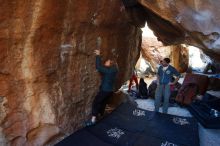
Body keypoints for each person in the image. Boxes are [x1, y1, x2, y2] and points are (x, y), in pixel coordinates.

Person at [85, 49, 118, 126]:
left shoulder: (109, 71)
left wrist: (98, 55)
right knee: (103, 102)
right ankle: (101, 114)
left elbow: (98, 67)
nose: (105, 62)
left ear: (111, 64)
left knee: (96, 102)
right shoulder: (115, 69)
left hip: (105, 90)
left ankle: (93, 120)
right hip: (110, 91)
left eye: (107, 62)